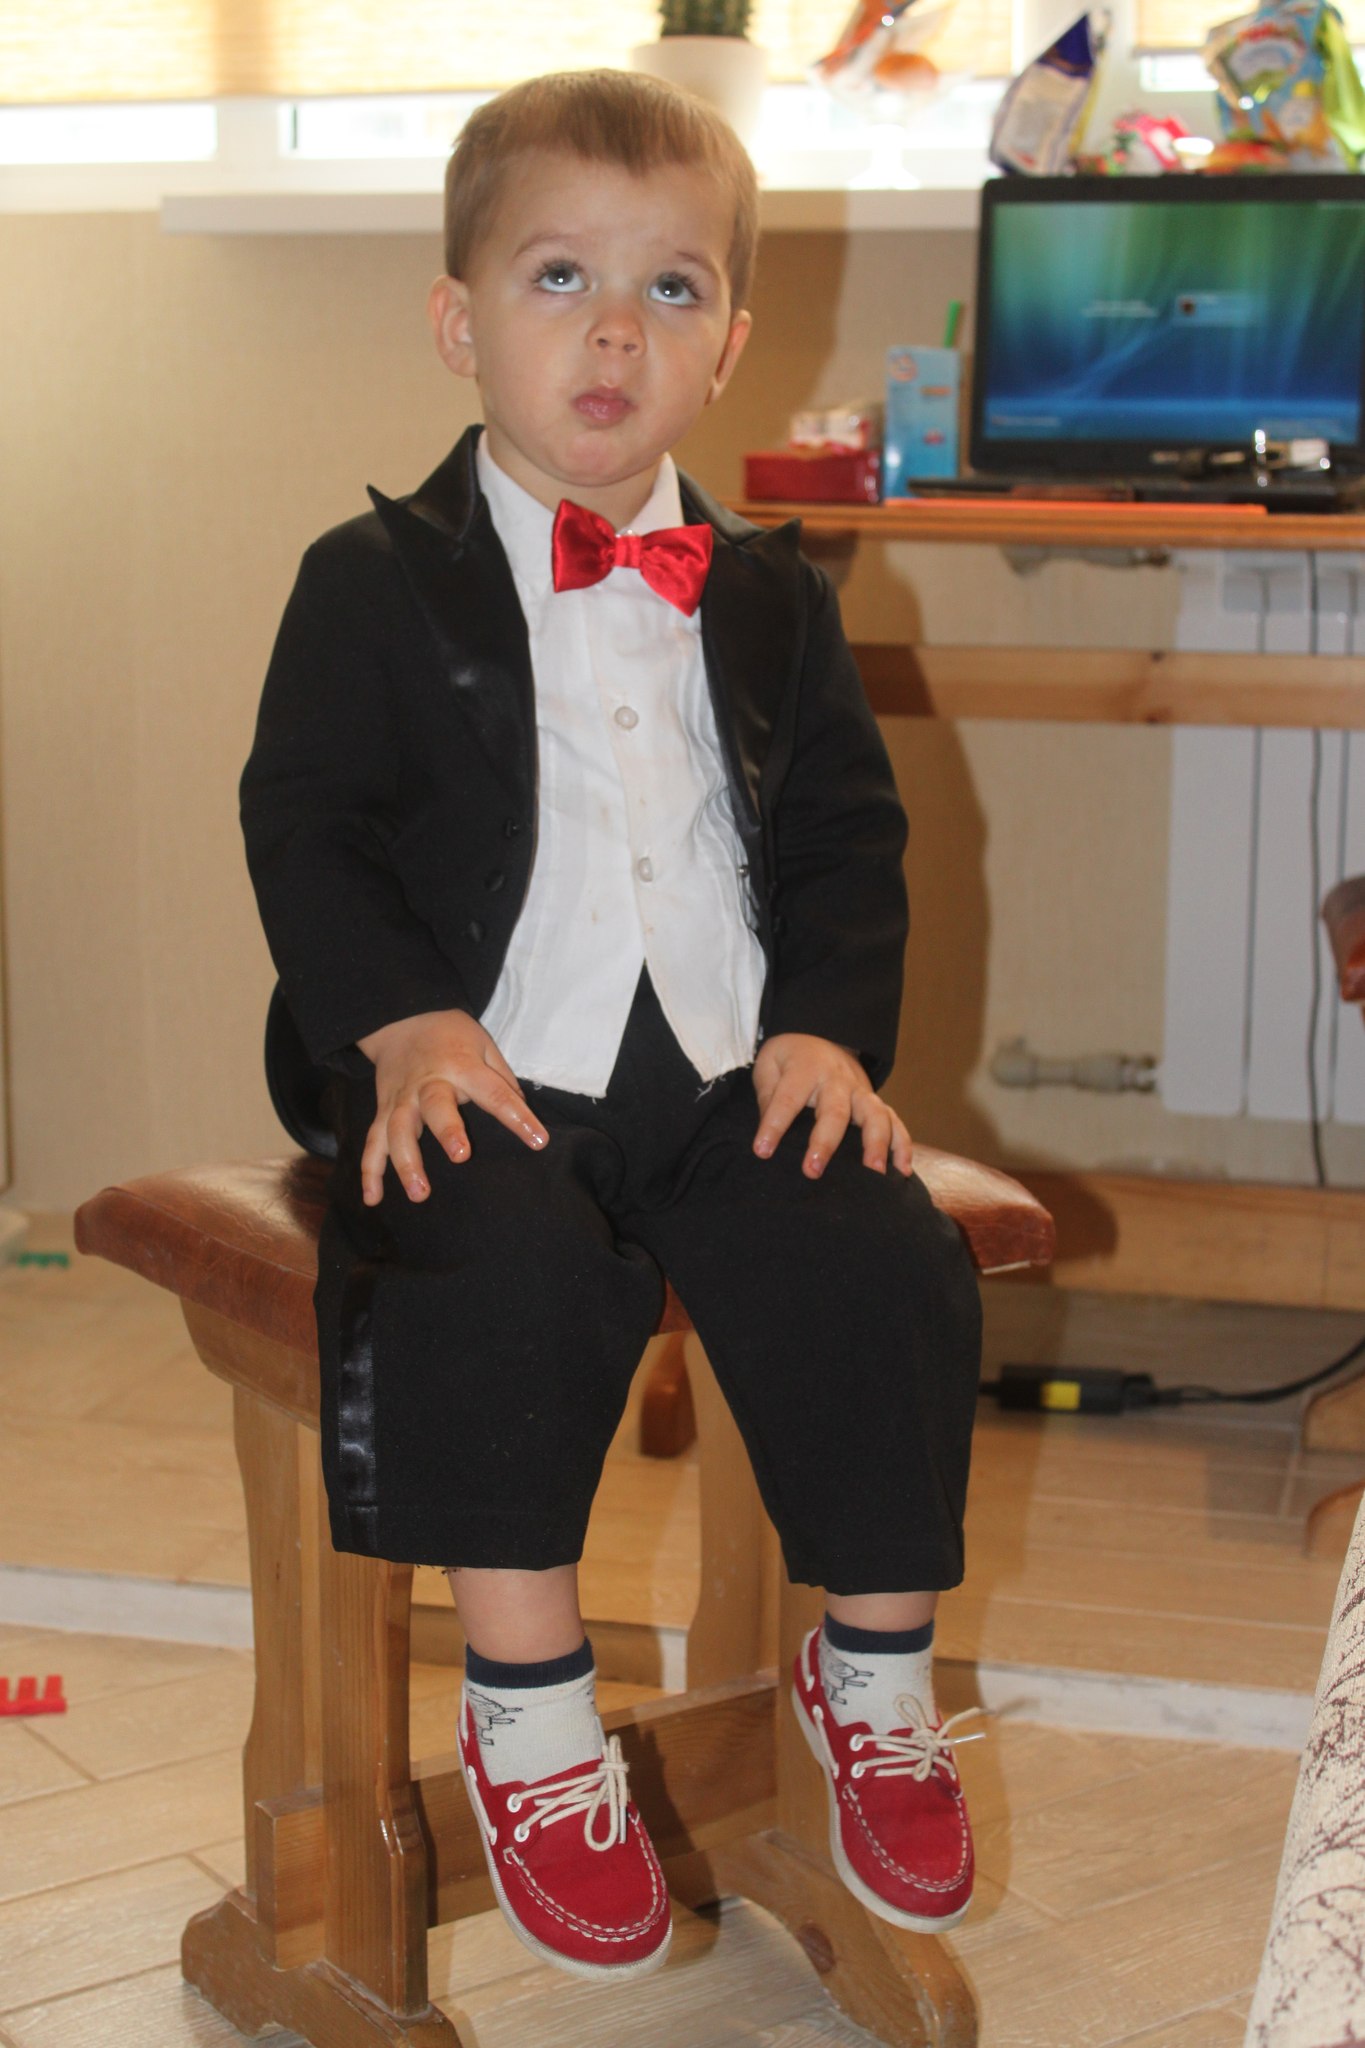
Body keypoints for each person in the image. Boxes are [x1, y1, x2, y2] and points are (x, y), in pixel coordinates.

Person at [240, 66, 983, 1986]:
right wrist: (401, 1024)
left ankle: (874, 1676)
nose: (611, 333)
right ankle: (531, 1709)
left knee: (874, 1247)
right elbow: (307, 823)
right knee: (492, 1260)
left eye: (669, 290)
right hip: (484, 1067)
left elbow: (844, 837)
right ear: (457, 320)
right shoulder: (369, 583)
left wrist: (826, 1031)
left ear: (726, 346)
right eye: (558, 275)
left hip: (725, 1063)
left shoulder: (771, 596)